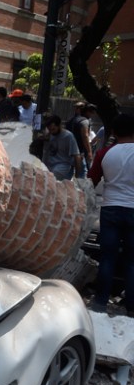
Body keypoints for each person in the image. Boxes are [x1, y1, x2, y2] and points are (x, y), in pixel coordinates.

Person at [88, 113, 134, 314]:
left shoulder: (104, 153)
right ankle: (131, 306)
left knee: (108, 257)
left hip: (110, 209)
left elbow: (92, 180)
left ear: (114, 132)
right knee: (132, 260)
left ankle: (100, 302)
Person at [42, 115, 83, 180]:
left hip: (62, 167)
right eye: (50, 130)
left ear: (59, 126)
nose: (51, 132)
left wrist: (77, 176)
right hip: (49, 166)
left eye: (53, 129)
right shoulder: (49, 135)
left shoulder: (68, 136)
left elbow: (77, 156)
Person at [66, 102, 95, 177]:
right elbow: (85, 136)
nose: (92, 115)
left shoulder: (70, 120)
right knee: (82, 173)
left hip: (68, 151)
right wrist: (89, 152)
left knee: (68, 173)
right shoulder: (84, 121)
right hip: (78, 152)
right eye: (91, 112)